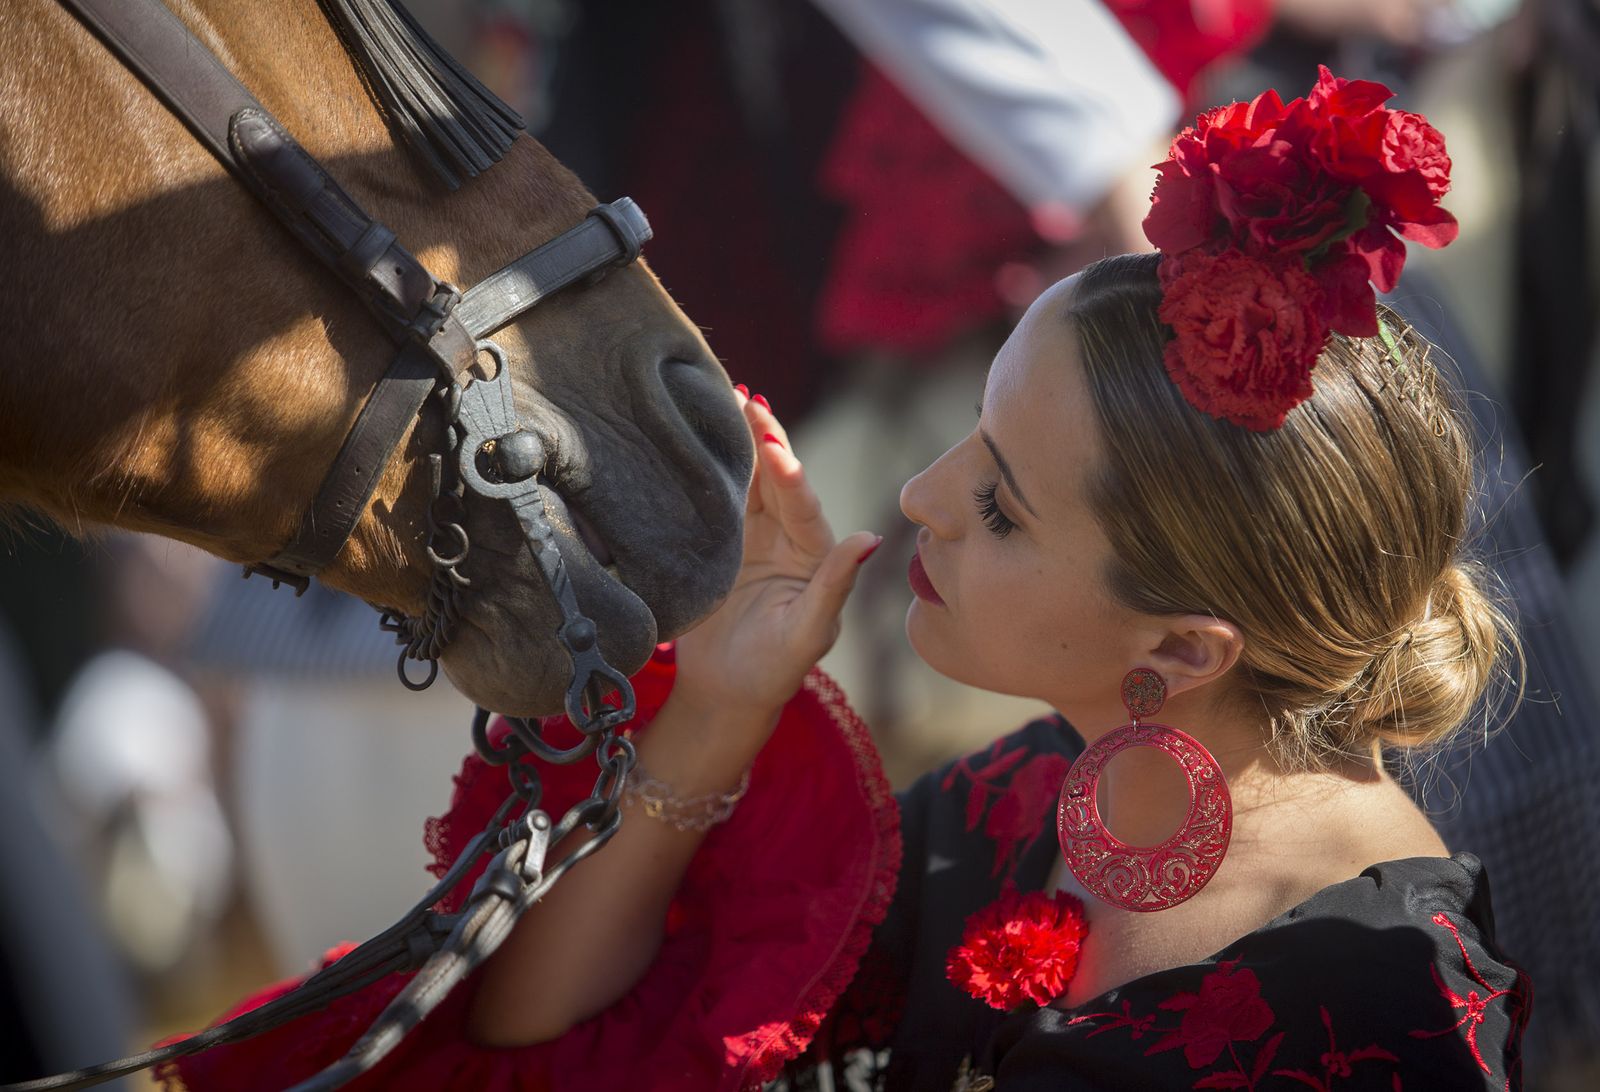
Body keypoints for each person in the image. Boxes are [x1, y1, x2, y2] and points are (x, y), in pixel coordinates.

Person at [164, 69, 1530, 1091]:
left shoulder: (1376, 1018)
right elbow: (537, 1035)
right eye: (975, 434)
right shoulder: (1024, 797)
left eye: (999, 506)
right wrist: (720, 705)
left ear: (1180, 652)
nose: (920, 495)